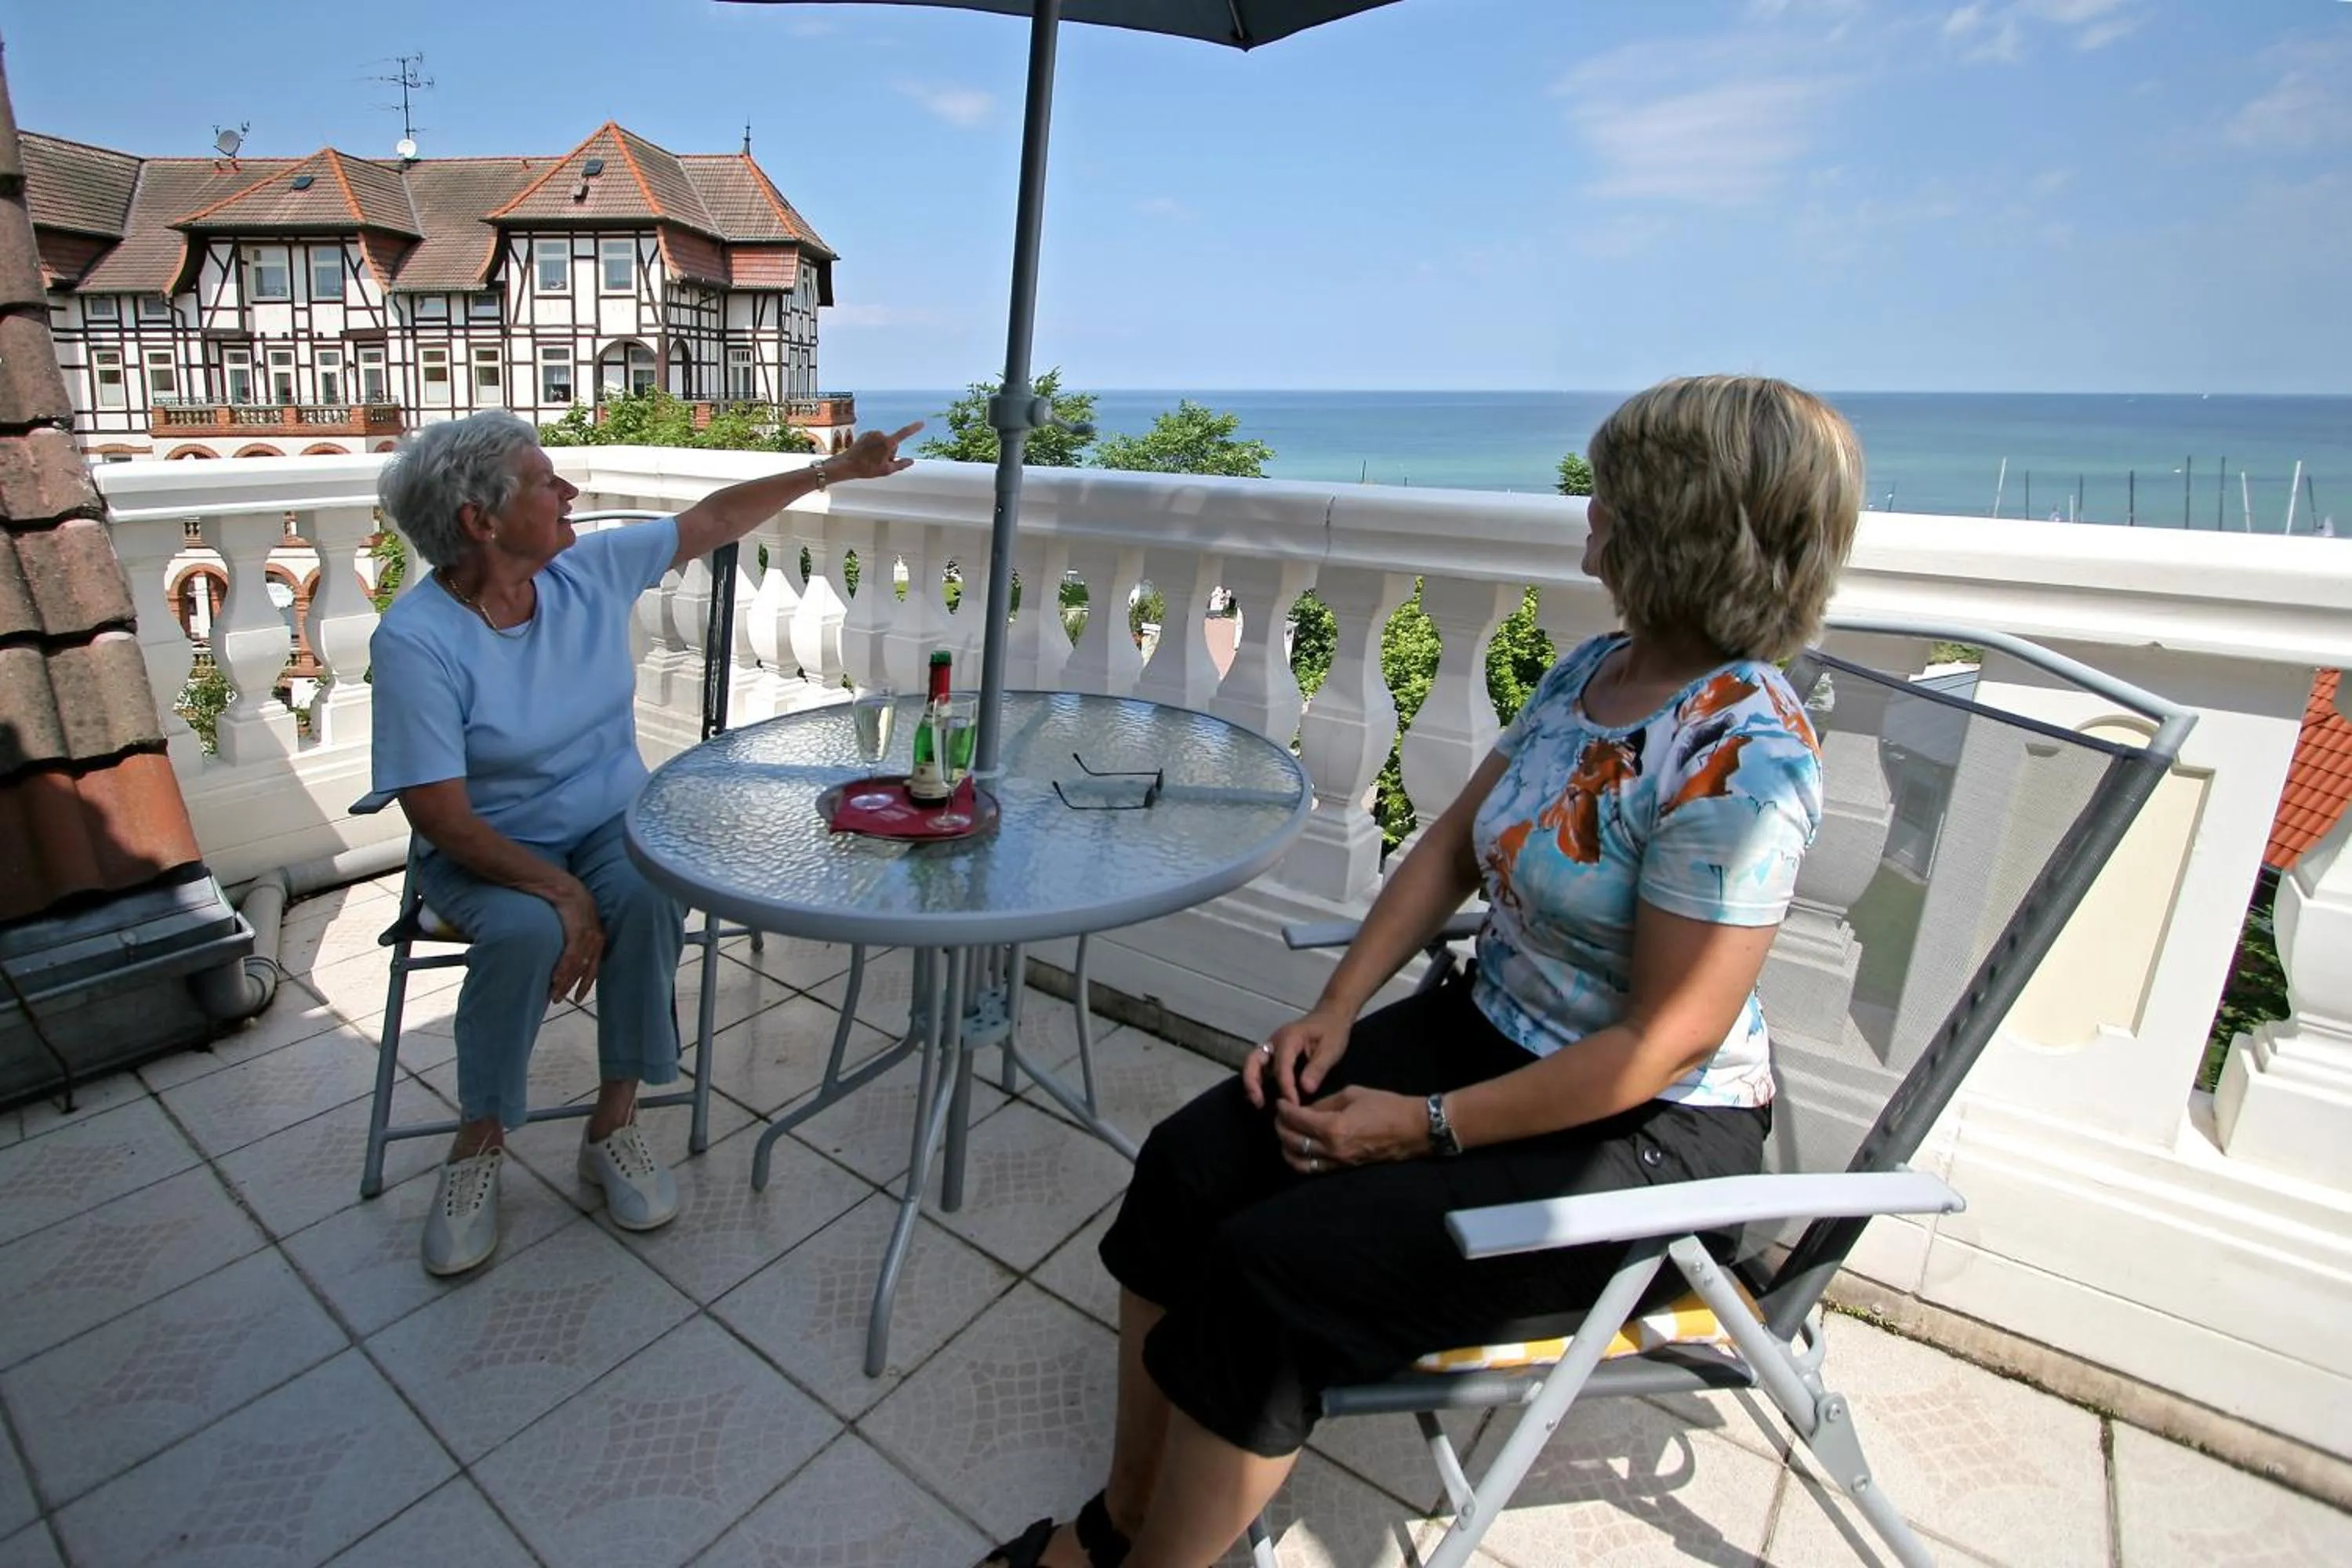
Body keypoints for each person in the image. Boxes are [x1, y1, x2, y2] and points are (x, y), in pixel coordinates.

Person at [982, 375, 1862, 1568]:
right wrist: (1337, 1009)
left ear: (1675, 524)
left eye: (1607, 495)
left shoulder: (1740, 755)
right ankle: (1122, 1523)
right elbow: (1450, 841)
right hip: (1490, 1030)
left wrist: (1421, 1127)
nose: (1586, 514)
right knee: (1190, 1166)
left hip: (1641, 1129)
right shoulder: (1596, 670)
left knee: (1272, 1274)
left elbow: (1663, 1044)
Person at [369, 410, 919, 1277]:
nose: (568, 492)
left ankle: (613, 1122)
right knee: (523, 932)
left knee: (652, 885)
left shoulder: (585, 571)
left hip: (606, 823)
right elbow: (440, 816)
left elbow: (713, 519)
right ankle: (478, 1145)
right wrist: (560, 893)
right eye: (545, 482)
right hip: (489, 848)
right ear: (481, 520)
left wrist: (836, 469)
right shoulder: (417, 641)